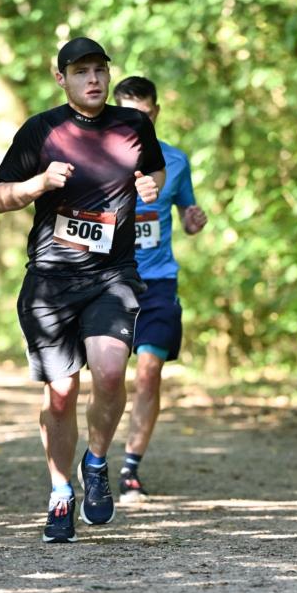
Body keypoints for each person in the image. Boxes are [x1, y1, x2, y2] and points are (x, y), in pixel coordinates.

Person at [0, 38, 166, 543]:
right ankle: (60, 491)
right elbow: (0, 196)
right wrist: (38, 185)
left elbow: (152, 168)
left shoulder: (133, 126)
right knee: (63, 392)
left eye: (100, 70)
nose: (93, 79)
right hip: (51, 279)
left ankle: (96, 464)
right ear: (61, 77)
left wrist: (149, 186)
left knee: (111, 374)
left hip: (113, 275)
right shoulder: (41, 130)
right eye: (81, 71)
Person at [112, 76, 207, 502]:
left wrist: (192, 220)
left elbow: (187, 211)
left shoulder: (175, 161)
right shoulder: (100, 160)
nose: (139, 125)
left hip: (159, 282)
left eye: (146, 116)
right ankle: (96, 457)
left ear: (156, 112)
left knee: (149, 373)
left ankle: (131, 468)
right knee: (109, 377)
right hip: (109, 282)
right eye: (131, 117)